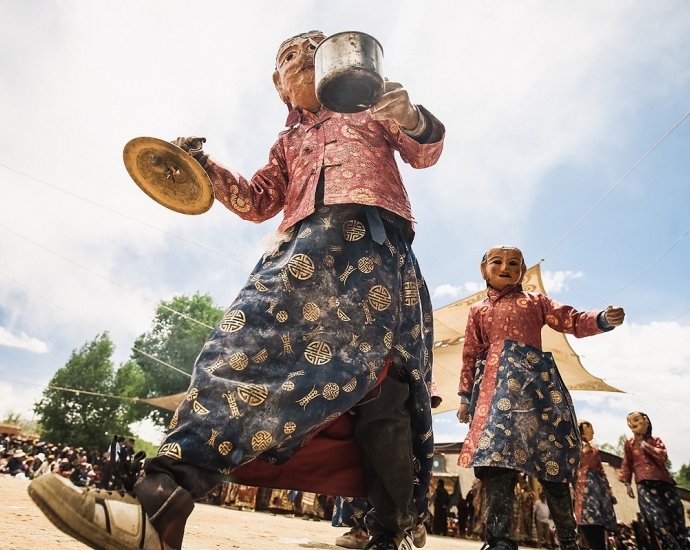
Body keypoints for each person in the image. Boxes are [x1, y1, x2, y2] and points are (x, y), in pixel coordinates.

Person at [29, 29, 444, 550]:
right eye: (291, 57)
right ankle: (162, 501)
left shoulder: (370, 111)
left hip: (375, 251)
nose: (305, 60)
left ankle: (389, 529)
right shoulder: (288, 142)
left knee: (385, 390)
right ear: (279, 86)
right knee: (239, 347)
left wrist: (409, 116)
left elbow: (426, 152)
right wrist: (204, 169)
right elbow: (256, 202)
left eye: (318, 50)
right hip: (299, 253)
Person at [456, 245, 625, 550]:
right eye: (497, 261)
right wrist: (465, 398)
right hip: (494, 397)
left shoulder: (536, 302)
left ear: (522, 270)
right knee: (495, 464)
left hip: (537, 392)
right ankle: (500, 541)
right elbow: (470, 352)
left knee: (552, 466)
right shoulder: (477, 311)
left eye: (514, 262)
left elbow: (571, 319)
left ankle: (569, 540)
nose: (506, 266)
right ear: (484, 270)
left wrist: (602, 319)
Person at [619, 412, 686, 550]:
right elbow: (627, 463)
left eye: (636, 420)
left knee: (676, 517)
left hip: (665, 483)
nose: (633, 424)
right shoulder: (629, 444)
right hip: (645, 485)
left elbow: (662, 457)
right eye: (630, 423)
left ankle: (681, 545)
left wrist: (644, 445)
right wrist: (627, 484)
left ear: (646, 421)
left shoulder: (656, 440)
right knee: (656, 519)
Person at [574, 421, 617, 550]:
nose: (593, 432)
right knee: (586, 520)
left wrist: (609, 489)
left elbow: (601, 470)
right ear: (582, 431)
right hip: (582, 489)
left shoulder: (594, 451)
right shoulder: (574, 448)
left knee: (598, 519)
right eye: (590, 430)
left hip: (598, 491)